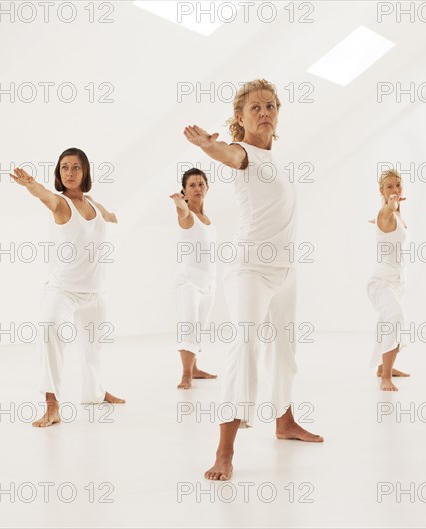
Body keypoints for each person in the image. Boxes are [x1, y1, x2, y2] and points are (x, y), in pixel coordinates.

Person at [183, 79, 323, 481]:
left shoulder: (275, 160)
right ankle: (224, 451)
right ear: (239, 118)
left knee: (284, 351)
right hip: (249, 269)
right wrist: (207, 147)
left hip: (285, 271)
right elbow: (227, 154)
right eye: (255, 108)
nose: (264, 113)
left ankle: (284, 421)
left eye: (270, 106)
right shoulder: (243, 153)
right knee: (244, 345)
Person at [10, 147, 125, 428]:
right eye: (64, 168)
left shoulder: (94, 204)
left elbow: (108, 216)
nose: (70, 173)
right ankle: (51, 405)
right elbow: (45, 196)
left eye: (75, 167)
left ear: (85, 172)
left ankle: (95, 394)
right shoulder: (61, 203)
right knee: (50, 327)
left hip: (95, 292)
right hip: (63, 290)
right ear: (58, 174)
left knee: (93, 348)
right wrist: (32, 185)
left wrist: (112, 217)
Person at [169, 168, 218, 389]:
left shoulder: (207, 218)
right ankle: (185, 375)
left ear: (207, 188)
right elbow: (182, 212)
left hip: (209, 282)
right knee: (188, 325)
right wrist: (179, 204)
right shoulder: (187, 215)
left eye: (201, 184)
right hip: (189, 282)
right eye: (192, 185)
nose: (197, 188)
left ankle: (195, 368)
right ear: (185, 192)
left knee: (200, 327)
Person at [367, 169, 411, 391]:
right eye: (389, 187)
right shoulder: (387, 211)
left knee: (387, 322)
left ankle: (384, 367)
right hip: (381, 281)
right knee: (395, 317)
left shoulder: (395, 214)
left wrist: (390, 211)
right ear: (381, 191)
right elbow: (387, 210)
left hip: (397, 281)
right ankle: (385, 377)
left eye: (398, 185)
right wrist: (390, 206)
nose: (395, 190)